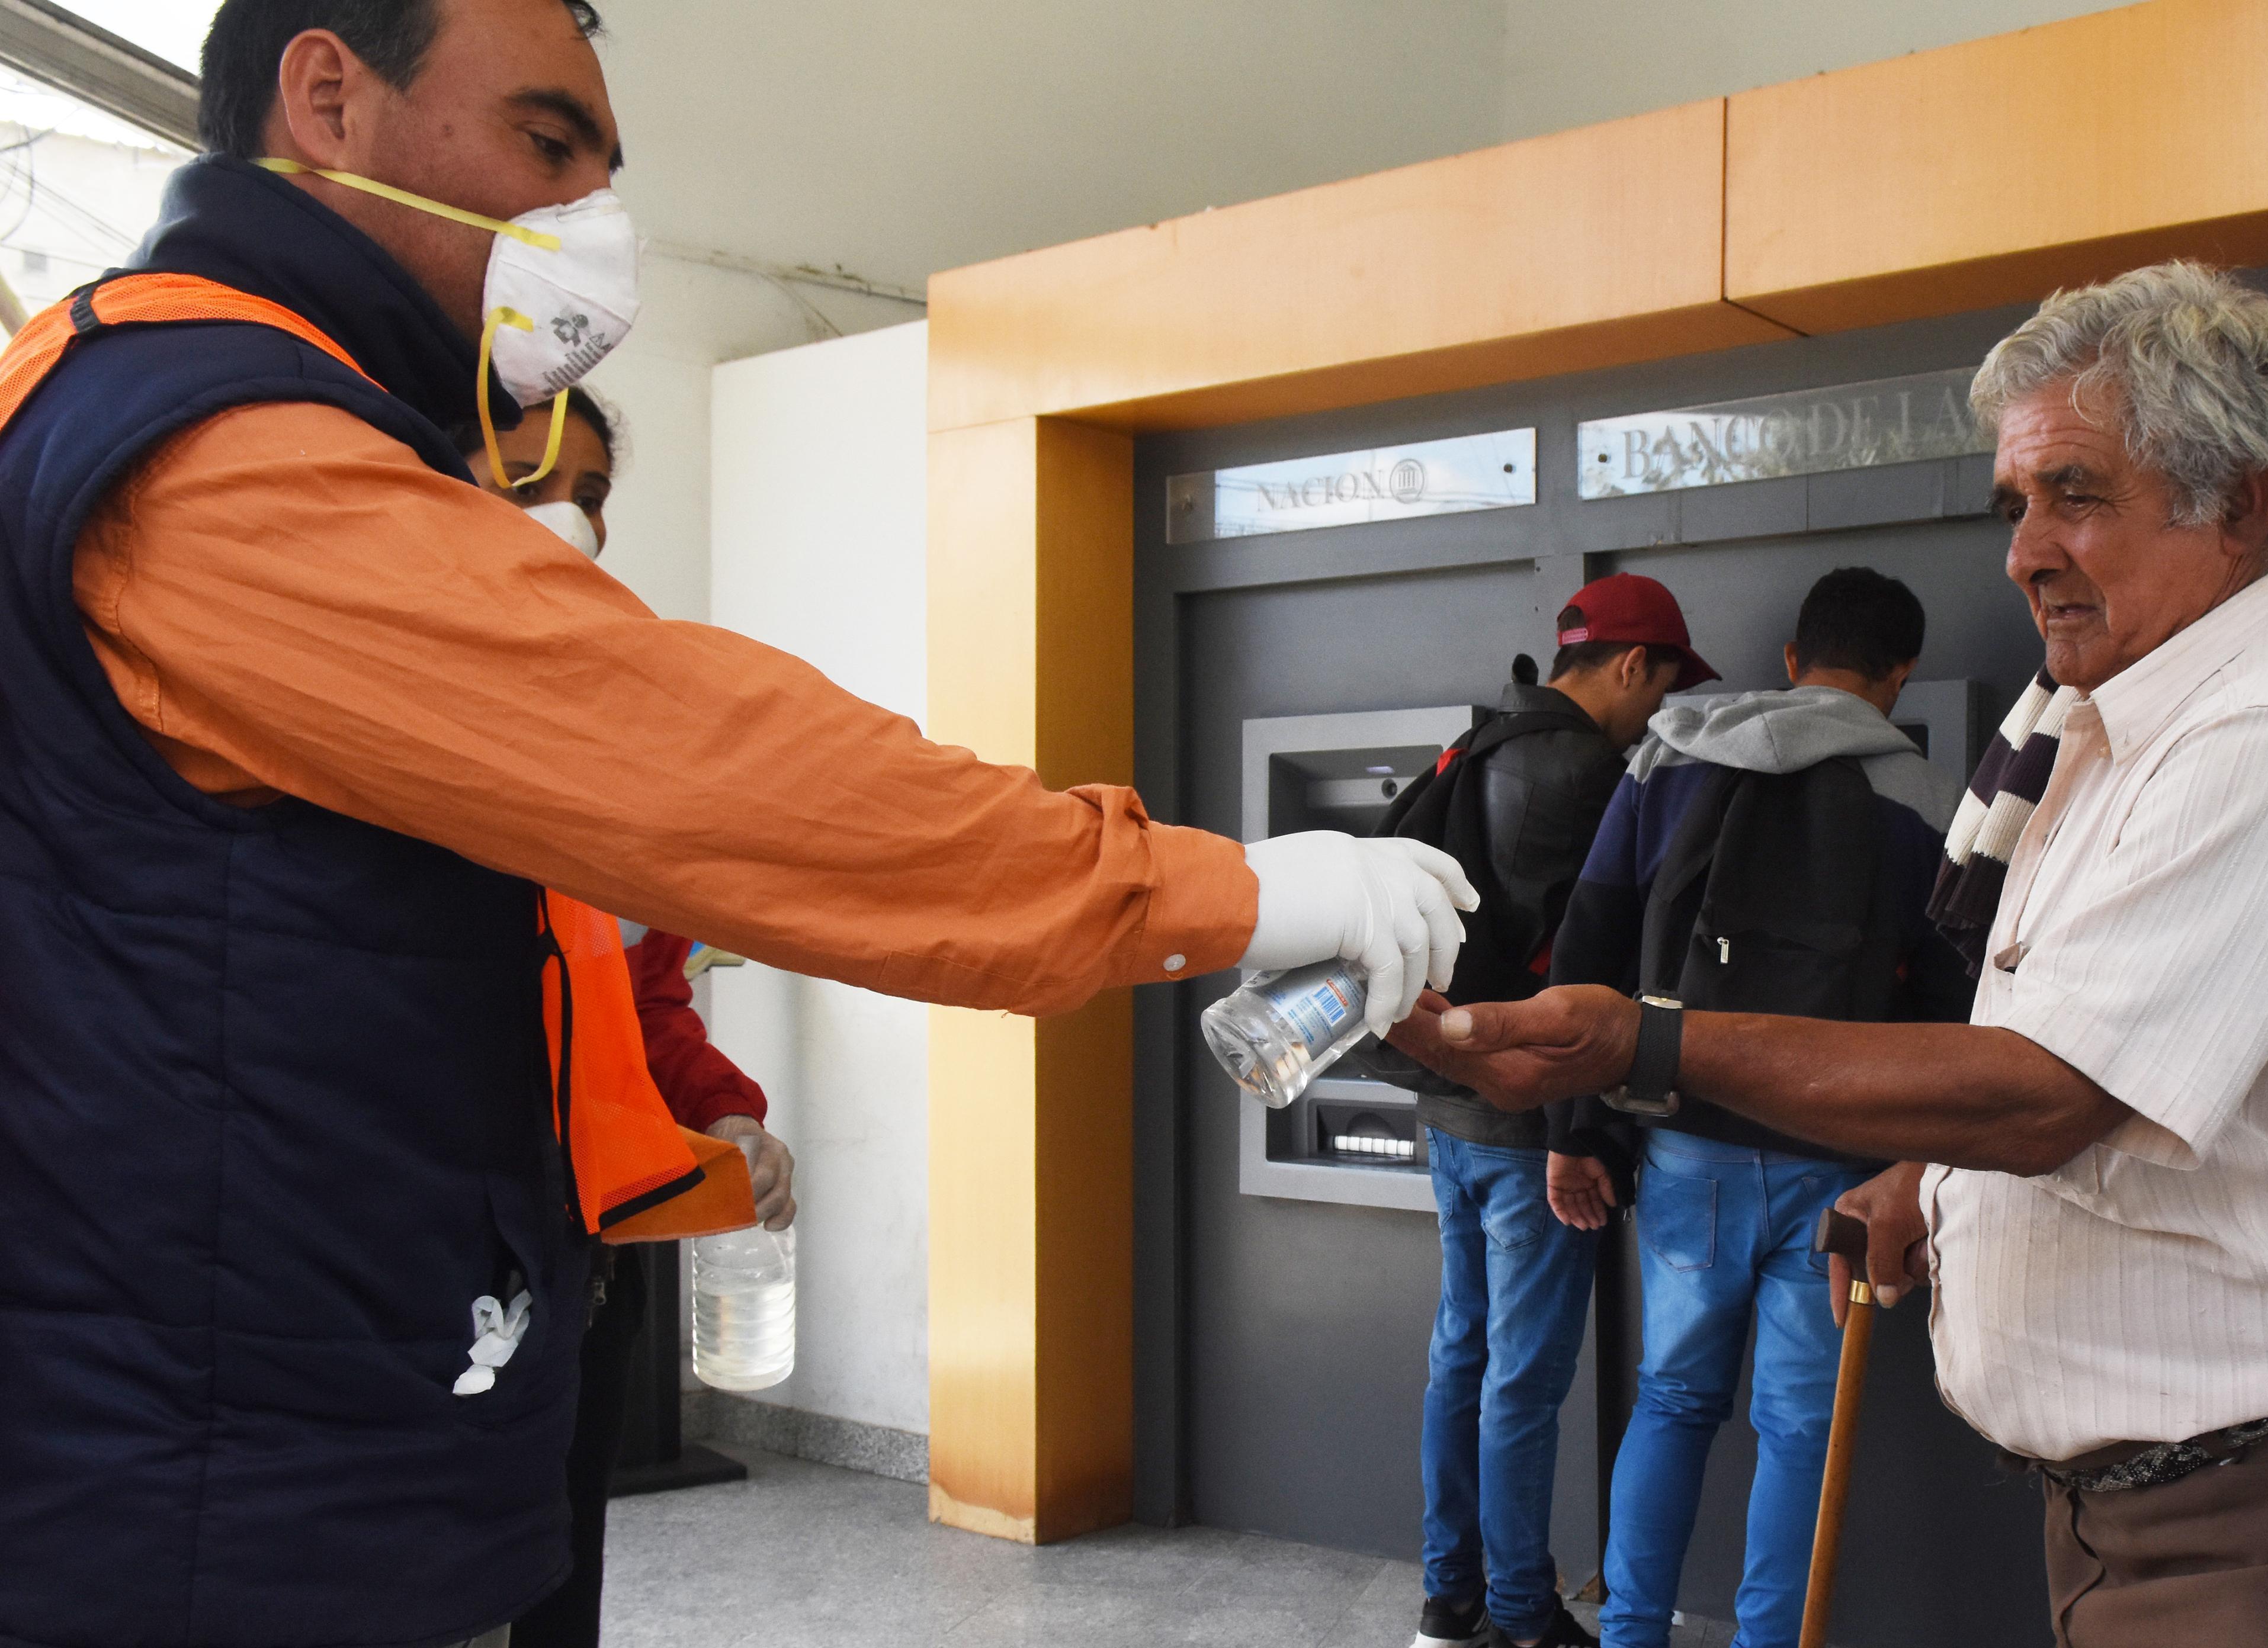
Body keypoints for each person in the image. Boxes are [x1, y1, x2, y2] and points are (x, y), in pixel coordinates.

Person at [0, 6, 1467, 1648]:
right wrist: (1232, 887)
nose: (591, 226)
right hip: (229, 1516)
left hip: (314, 1428)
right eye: (546, 148)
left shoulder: (196, 401)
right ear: (330, 97)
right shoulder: (201, 450)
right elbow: (703, 775)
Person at [1396, 263, 2268, 1647]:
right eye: (2017, 504)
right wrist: (1930, 1179)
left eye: (2076, 492)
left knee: (1683, 1400)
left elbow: (2047, 1090)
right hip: (2157, 1502)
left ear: (2241, 501)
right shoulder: (2107, 723)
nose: (2023, 552)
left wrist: (1634, 1045)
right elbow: (2078, 1040)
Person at [1541, 567, 1967, 1648]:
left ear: (1790, 659)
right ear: (1899, 673)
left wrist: (1581, 1128)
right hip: (1839, 1162)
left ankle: (1630, 1631)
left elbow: (1588, 952)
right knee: (1798, 1428)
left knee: (1674, 1400)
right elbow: (1961, 1000)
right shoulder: (1916, 796)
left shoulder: (1668, 760)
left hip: (1685, 1141)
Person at [460, 392, 797, 1648]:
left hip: (590, 1256)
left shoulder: (613, 713)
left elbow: (647, 995)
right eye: (528, 478)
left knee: (558, 1572)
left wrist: (724, 1112)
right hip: (428, 1266)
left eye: (592, 492)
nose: (571, 521)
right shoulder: (373, 715)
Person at [1363, 573, 1712, 1648]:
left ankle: (1450, 1596)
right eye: (1661, 686)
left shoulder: (1483, 743)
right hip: (1524, 1124)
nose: (1659, 710)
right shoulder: (1589, 773)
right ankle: (1519, 1610)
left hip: (1451, 1110)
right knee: (1521, 1375)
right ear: (1629, 667)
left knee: (1460, 1354)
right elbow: (1575, 970)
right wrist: (1574, 1137)